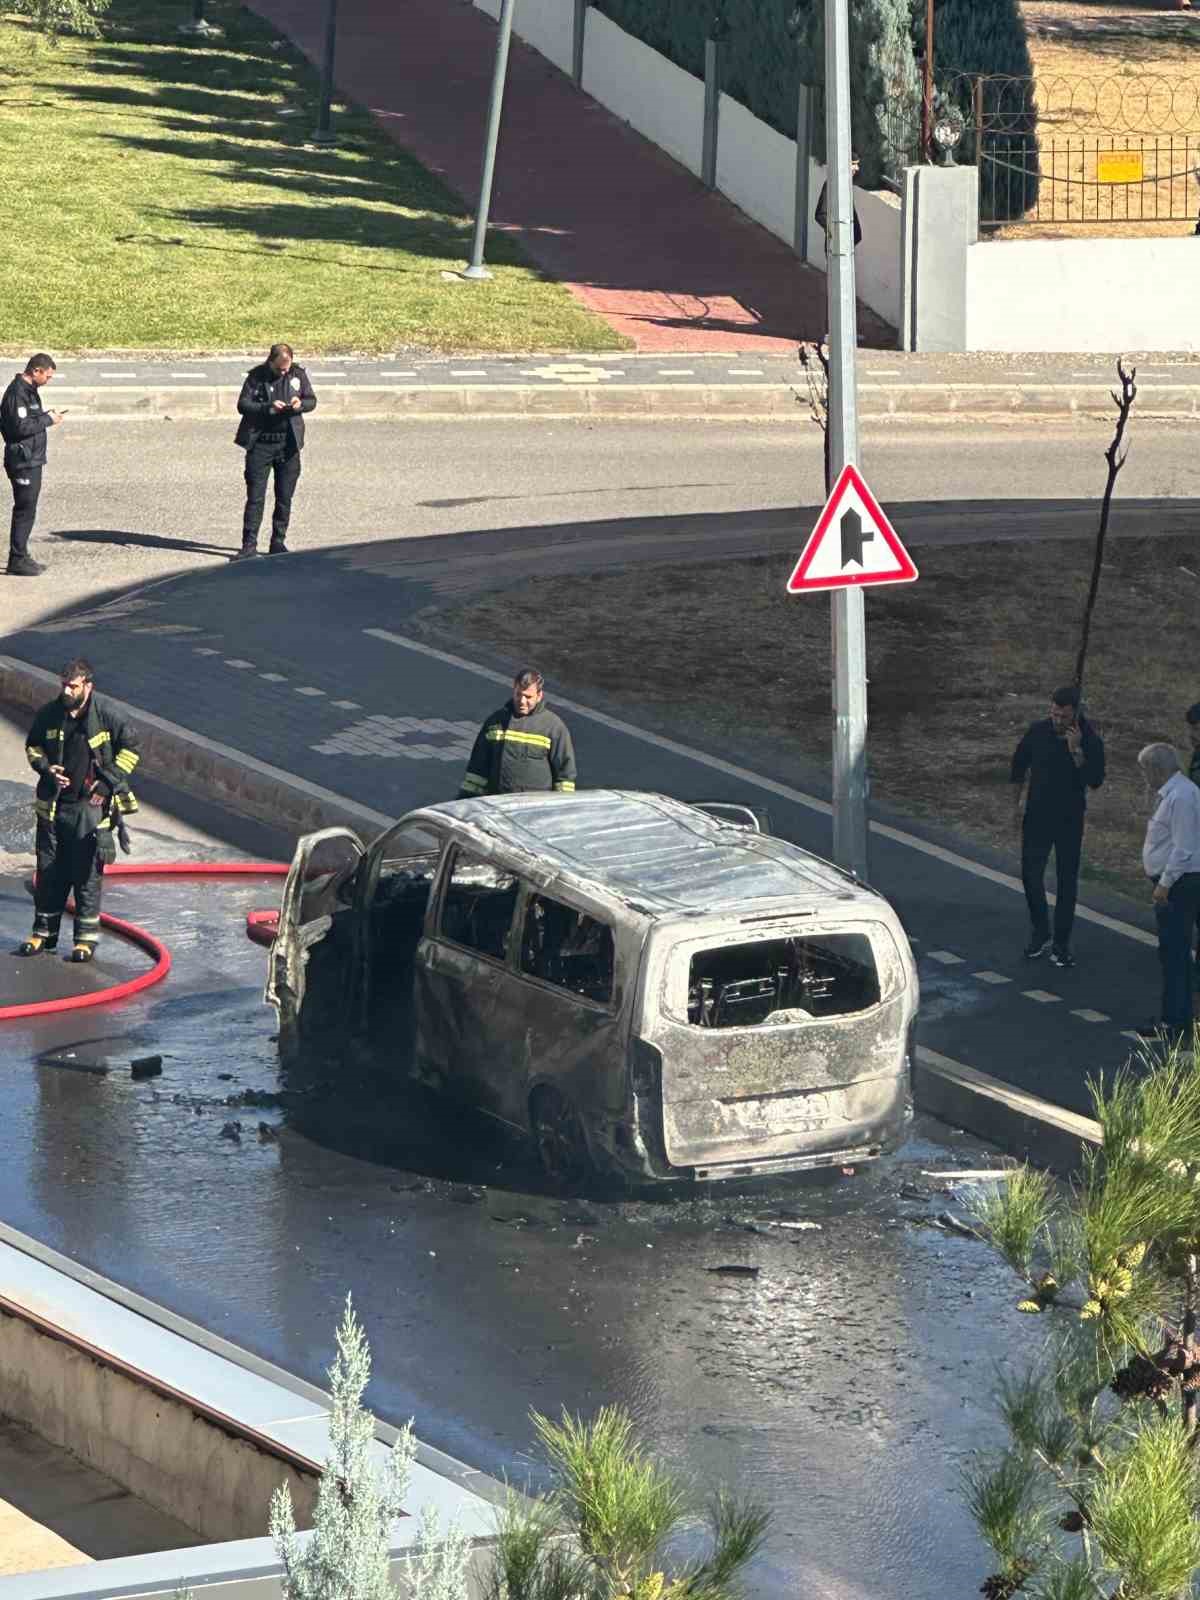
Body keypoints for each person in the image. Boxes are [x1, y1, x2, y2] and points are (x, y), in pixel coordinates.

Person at [20, 660, 140, 963]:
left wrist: (106, 783)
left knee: (85, 875)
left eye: (73, 685)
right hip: (54, 806)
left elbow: (132, 749)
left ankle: (85, 941)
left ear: (88, 685)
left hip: (89, 808)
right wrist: (46, 769)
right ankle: (43, 935)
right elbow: (33, 747)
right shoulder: (50, 714)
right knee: (49, 872)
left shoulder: (107, 715)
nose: (66, 690)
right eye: (63, 684)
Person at [1010, 684, 1105, 968]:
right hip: (1037, 815)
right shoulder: (1038, 731)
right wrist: (1016, 805)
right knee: (1030, 875)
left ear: (1076, 715)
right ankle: (1041, 931)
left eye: (1063, 717)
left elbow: (1095, 779)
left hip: (1069, 820)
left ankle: (1061, 944)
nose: (1057, 721)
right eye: (1053, 714)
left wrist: (1076, 752)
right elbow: (1018, 766)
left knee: (1066, 882)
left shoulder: (1090, 741)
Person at [1135, 742, 1200, 1044]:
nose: (1144, 777)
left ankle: (1175, 1022)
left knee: (1174, 955)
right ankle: (1173, 1019)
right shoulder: (1177, 794)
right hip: (1177, 883)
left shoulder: (1181, 797)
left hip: (1177, 885)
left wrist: (1164, 884)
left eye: (1145, 770)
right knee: (1172, 954)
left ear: (1156, 769)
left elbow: (1184, 848)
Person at [233, 343, 317, 560]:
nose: (283, 372)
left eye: (286, 368)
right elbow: (243, 405)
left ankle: (278, 541)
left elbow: (311, 400)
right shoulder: (256, 377)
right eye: (279, 368)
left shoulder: (297, 374)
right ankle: (248, 545)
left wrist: (300, 405)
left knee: (284, 496)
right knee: (255, 496)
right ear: (270, 362)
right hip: (261, 444)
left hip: (288, 444)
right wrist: (268, 407)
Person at [458, 669, 577, 799]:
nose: (522, 701)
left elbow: (565, 775)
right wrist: (466, 798)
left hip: (534, 807)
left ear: (539, 696)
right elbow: (478, 767)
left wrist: (562, 805)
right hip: (499, 803)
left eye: (528, 697)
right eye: (518, 694)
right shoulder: (495, 722)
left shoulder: (553, 727)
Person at [1, 353, 63, 578]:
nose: (48, 380)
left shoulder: (29, 391)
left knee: (28, 508)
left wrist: (45, 416)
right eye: (47, 376)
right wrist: (48, 420)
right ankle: (17, 559)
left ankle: (21, 555)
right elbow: (19, 428)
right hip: (23, 460)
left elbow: (28, 420)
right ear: (35, 371)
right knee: (24, 509)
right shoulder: (17, 394)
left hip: (31, 459)